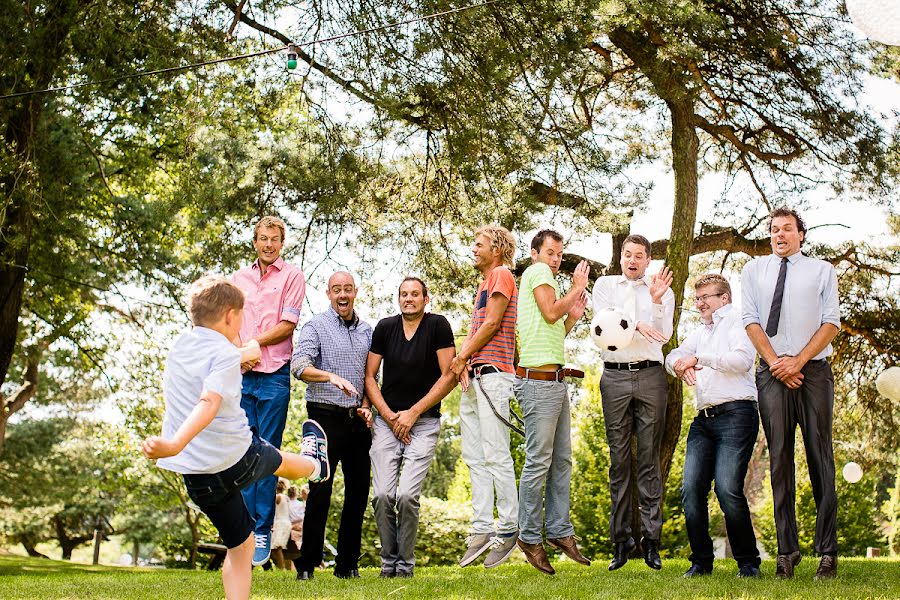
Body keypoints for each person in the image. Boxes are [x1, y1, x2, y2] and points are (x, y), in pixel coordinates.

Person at [142, 275, 328, 600]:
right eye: (242, 317)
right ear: (231, 316)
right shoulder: (226, 355)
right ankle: (316, 465)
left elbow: (211, 364)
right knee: (281, 462)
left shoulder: (179, 348)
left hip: (199, 477)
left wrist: (242, 355)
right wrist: (173, 444)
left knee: (240, 546)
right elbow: (209, 401)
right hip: (238, 457)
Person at [742, 207, 840, 580]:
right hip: (771, 372)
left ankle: (827, 553)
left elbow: (831, 321)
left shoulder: (821, 270)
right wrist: (777, 363)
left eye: (787, 229)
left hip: (813, 372)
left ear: (801, 234)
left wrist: (797, 361)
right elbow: (749, 320)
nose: (780, 234)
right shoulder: (754, 270)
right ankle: (787, 552)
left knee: (820, 456)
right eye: (774, 230)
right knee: (779, 459)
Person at [665, 274, 761, 578]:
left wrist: (699, 358)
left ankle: (748, 562)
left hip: (737, 414)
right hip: (703, 421)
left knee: (728, 489)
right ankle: (701, 563)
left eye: (707, 297)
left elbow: (741, 360)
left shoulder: (738, 322)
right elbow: (671, 356)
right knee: (691, 490)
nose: (701, 303)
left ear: (724, 298)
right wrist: (682, 365)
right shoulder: (700, 331)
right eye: (698, 298)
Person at [365, 277, 458, 578]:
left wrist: (413, 413)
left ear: (425, 299)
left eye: (415, 294)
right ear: (398, 299)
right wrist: (391, 416)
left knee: (406, 496)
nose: (409, 299)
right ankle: (387, 562)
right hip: (387, 422)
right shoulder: (385, 327)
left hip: (424, 423)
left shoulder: (438, 326)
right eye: (404, 294)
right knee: (381, 495)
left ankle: (404, 565)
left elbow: (449, 376)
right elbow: (369, 377)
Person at [591, 233, 674, 571]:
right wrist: (637, 322)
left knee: (649, 461)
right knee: (619, 461)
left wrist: (655, 302)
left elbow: (664, 334)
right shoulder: (605, 286)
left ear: (648, 260)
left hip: (651, 375)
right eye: (628, 254)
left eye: (639, 255)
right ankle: (621, 543)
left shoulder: (661, 290)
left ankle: (651, 543)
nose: (632, 260)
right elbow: (606, 327)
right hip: (614, 376)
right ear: (621, 256)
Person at [514, 229, 591, 575]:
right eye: (550, 252)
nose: (556, 259)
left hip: (556, 381)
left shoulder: (545, 280)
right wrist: (576, 287)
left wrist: (572, 313)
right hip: (538, 383)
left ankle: (559, 530)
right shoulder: (537, 273)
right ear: (534, 254)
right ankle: (529, 536)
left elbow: (553, 331)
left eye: (559, 254)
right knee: (539, 462)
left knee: (561, 460)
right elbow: (549, 313)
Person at [232, 215, 307, 565]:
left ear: (282, 242)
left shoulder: (292, 276)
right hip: (242, 374)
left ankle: (261, 529)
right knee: (240, 451)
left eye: (274, 239)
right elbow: (229, 323)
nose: (268, 244)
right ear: (255, 241)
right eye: (262, 238)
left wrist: (251, 345)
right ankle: (244, 532)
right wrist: (238, 350)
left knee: (265, 451)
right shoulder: (238, 279)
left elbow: (287, 326)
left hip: (275, 372)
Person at [291, 271, 374, 580]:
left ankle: (347, 565)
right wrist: (330, 376)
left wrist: (366, 407)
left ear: (355, 292)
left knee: (358, 494)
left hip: (357, 421)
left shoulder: (368, 331)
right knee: (320, 491)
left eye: (348, 289)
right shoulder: (316, 326)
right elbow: (299, 367)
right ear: (328, 293)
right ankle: (307, 565)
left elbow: (371, 378)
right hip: (323, 418)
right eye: (336, 289)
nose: (343, 294)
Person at [449, 226, 521, 568]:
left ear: (497, 247)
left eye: (479, 244)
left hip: (494, 375)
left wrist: (462, 357)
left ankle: (508, 528)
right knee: (474, 456)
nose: (473, 249)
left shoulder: (502, 274)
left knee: (495, 453)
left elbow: (492, 324)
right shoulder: (484, 282)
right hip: (475, 376)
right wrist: (464, 361)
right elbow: (479, 329)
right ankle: (480, 530)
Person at [270, 479, 293, 570]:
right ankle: (280, 567)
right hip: (286, 523)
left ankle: (281, 567)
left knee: (276, 547)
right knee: (276, 547)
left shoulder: (277, 497)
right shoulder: (286, 498)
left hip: (280, 523)